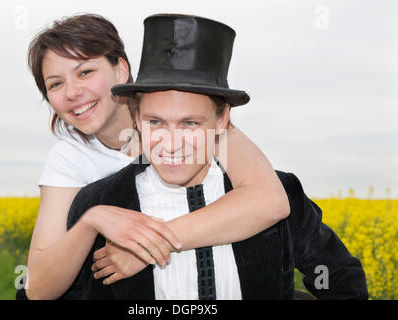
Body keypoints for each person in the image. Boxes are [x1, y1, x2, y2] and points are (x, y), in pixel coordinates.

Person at [66, 13, 368, 300]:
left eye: (190, 123)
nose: (171, 145)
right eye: (155, 122)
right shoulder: (99, 202)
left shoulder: (283, 192)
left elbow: (343, 283)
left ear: (222, 119)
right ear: (135, 116)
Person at [20, 13, 290, 300]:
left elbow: (269, 202)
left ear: (121, 70)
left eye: (85, 72)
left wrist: (146, 246)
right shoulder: (68, 157)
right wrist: (92, 220)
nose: (73, 92)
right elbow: (37, 288)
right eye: (55, 84)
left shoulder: (199, 124)